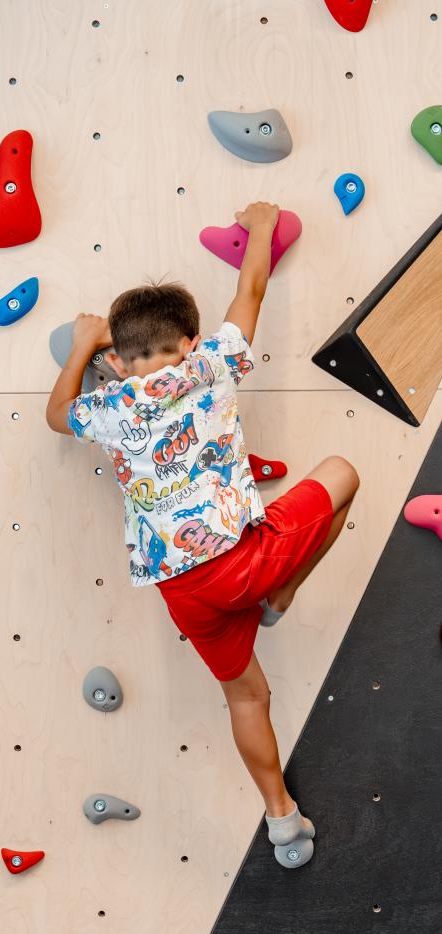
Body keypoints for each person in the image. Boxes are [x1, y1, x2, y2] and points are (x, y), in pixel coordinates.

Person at [46, 201, 359, 868]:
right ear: (187, 342)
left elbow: (56, 416)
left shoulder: (107, 405)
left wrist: (80, 348)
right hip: (244, 561)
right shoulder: (207, 365)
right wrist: (265, 226)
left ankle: (282, 823)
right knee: (343, 474)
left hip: (183, 593)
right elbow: (249, 291)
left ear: (122, 361)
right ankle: (283, 594)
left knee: (247, 696)